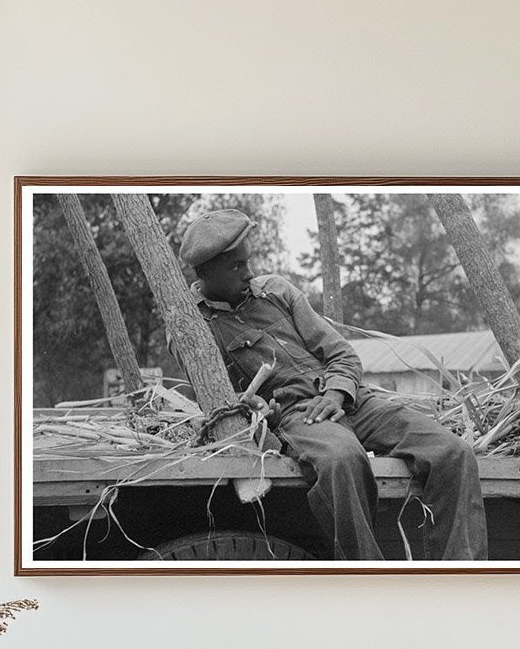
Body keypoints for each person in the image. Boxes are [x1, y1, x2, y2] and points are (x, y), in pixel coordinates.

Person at [178, 208, 488, 561]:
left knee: (453, 452)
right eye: (235, 267)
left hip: (350, 399)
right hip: (298, 417)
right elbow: (218, 400)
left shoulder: (277, 291)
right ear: (204, 273)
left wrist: (337, 392)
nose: (249, 272)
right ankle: (366, 579)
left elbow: (342, 353)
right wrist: (260, 412)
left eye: (248, 261)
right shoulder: (195, 327)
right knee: (343, 460)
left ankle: (459, 580)